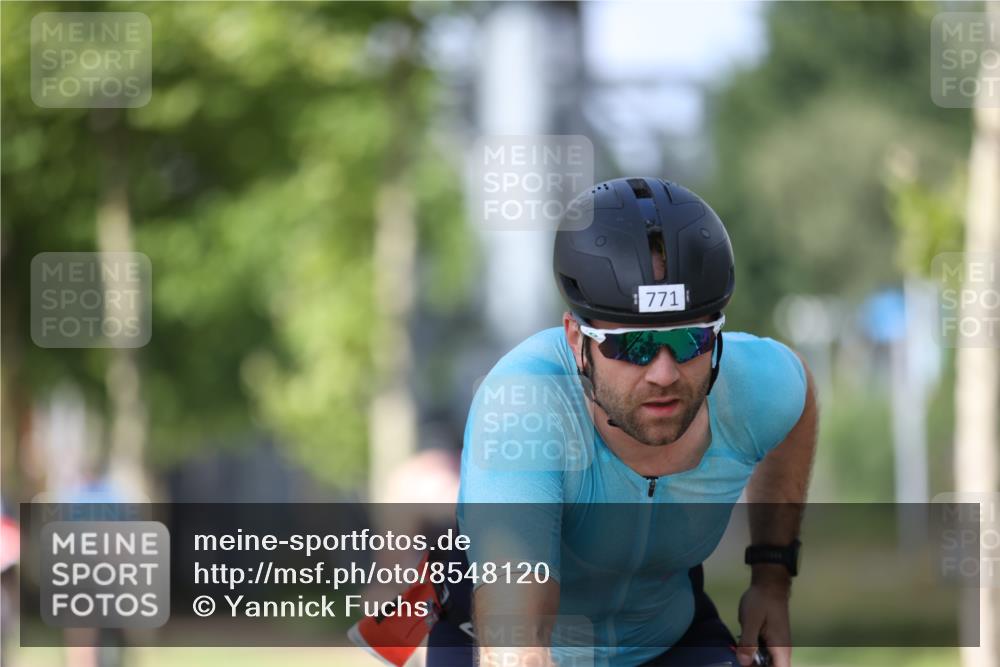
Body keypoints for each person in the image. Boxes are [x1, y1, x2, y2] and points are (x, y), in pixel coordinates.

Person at [352, 177, 817, 667]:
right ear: (577, 340)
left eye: (689, 340)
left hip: (664, 637)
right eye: (631, 345)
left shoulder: (756, 385)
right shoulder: (524, 407)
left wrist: (771, 576)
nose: (663, 373)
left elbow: (801, 399)